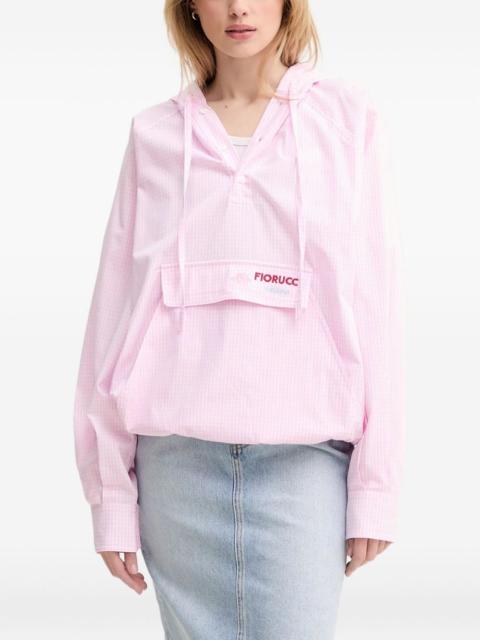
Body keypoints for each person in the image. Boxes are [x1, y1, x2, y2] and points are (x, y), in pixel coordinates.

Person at [73, 0, 406, 637]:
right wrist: (111, 495)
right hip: (174, 468)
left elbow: (378, 306)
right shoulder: (155, 135)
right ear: (189, 7)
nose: (238, 7)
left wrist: (376, 487)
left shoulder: (347, 120)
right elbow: (113, 315)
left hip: (306, 462)